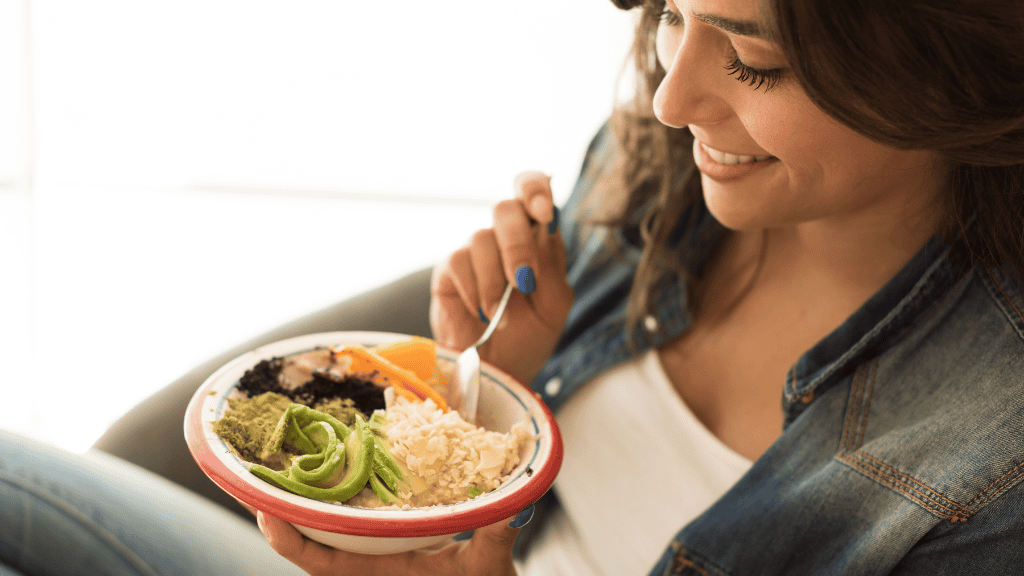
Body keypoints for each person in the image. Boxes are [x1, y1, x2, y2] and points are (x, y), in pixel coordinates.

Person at [3, 0, 1022, 574]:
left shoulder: (993, 461)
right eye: (671, 13)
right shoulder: (658, 172)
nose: (671, 97)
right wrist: (496, 387)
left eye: (751, 62)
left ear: (940, 70)